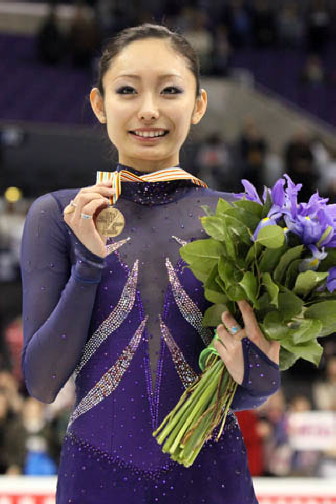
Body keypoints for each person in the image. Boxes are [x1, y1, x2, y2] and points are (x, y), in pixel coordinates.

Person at [20, 23, 280, 503]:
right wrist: (88, 264)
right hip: (97, 477)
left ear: (198, 104)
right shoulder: (59, 215)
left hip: (209, 477)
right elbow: (41, 382)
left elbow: (259, 387)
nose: (148, 110)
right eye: (127, 90)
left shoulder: (240, 218)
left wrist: (253, 365)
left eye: (170, 90)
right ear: (100, 104)